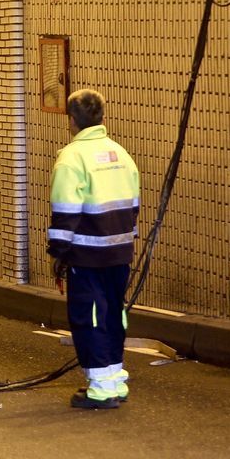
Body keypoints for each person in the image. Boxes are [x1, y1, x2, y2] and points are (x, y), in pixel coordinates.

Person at [49, 89, 140, 409]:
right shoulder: (120, 154)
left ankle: (101, 388)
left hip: (86, 255)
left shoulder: (72, 158)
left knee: (89, 317)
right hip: (119, 252)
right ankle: (115, 380)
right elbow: (133, 206)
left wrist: (59, 252)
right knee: (114, 315)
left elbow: (65, 210)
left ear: (72, 120)